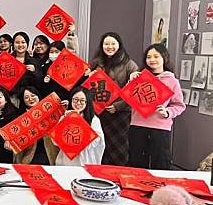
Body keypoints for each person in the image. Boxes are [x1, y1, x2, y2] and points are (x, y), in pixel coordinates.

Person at [128, 44, 185, 170]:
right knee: (135, 162)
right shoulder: (139, 77)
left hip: (160, 128)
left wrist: (167, 112)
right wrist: (131, 82)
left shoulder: (172, 80)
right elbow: (129, 99)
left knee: (160, 162)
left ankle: (160, 189)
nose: (152, 60)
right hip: (137, 125)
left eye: (156, 56)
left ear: (164, 58)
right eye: (149, 57)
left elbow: (179, 105)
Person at [90, 32, 138, 166]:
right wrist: (89, 75)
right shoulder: (96, 63)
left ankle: (117, 174)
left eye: (113, 44)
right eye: (106, 44)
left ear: (119, 45)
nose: (109, 47)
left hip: (121, 113)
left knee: (119, 148)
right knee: (100, 144)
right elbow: (87, 85)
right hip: (99, 111)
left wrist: (118, 106)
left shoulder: (130, 64)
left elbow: (134, 90)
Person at [54, 87, 105, 166]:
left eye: (82, 101)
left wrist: (77, 121)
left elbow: (97, 141)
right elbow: (55, 141)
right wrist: (67, 119)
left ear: (87, 102)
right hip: (66, 161)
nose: (78, 103)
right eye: (75, 100)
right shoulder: (64, 117)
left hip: (85, 160)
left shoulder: (93, 120)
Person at [14, 87, 59, 165]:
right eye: (26, 97)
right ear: (23, 101)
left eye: (33, 95)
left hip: (51, 155)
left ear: (38, 96)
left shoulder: (51, 111)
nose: (30, 99)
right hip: (29, 157)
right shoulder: (21, 119)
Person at [11, 32, 42, 100]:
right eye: (17, 42)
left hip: (28, 98)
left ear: (27, 44)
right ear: (13, 44)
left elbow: (39, 83)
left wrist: (34, 72)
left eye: (23, 42)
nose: (20, 45)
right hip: (11, 97)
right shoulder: (7, 60)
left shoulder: (34, 61)